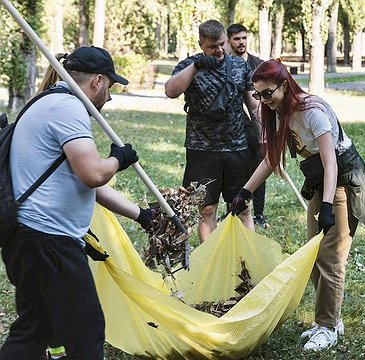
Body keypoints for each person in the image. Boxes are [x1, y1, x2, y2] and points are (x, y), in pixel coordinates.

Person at [0, 46, 155, 360]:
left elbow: (79, 182)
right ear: (97, 81)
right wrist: (118, 159)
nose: (108, 98)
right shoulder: (67, 108)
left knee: (35, 330)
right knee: (86, 333)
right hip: (49, 242)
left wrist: (141, 215)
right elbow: (92, 175)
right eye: (109, 88)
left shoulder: (47, 102)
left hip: (29, 240)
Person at [230, 59, 365, 352]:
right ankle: (329, 320)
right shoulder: (279, 112)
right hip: (320, 181)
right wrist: (245, 191)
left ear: (284, 86)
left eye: (267, 93)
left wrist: (329, 207)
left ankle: (328, 327)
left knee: (330, 258)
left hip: (343, 180)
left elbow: (331, 163)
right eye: (257, 95)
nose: (262, 100)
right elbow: (271, 159)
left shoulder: (312, 112)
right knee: (313, 255)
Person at [165, 19, 259, 243]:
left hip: (237, 148)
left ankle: (249, 261)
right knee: (206, 211)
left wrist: (264, 137)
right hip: (202, 151)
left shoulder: (239, 66)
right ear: (201, 44)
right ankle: (211, 262)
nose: (218, 50)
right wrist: (196, 67)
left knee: (242, 208)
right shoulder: (189, 66)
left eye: (222, 44)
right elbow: (170, 91)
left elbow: (254, 106)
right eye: (212, 46)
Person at [227, 23, 269, 229]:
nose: (241, 42)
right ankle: (233, 209)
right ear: (228, 41)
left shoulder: (258, 65)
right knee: (235, 172)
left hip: (256, 127)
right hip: (234, 130)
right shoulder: (224, 64)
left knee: (259, 168)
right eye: (236, 39)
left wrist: (264, 132)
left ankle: (259, 213)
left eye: (243, 38)